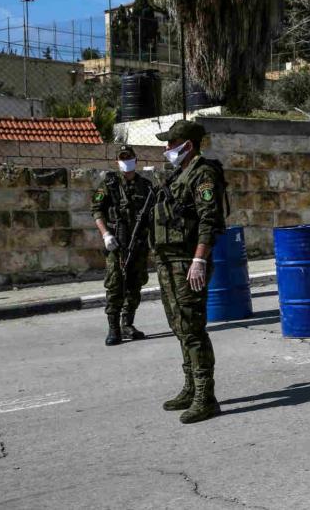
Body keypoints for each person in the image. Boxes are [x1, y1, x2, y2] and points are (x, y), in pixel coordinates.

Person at [153, 120, 227, 424]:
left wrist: (199, 260)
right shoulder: (178, 174)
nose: (167, 148)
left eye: (171, 143)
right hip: (168, 260)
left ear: (188, 145)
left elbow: (209, 220)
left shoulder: (203, 173)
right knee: (180, 326)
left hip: (187, 260)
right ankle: (191, 386)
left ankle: (205, 397)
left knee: (193, 328)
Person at [91, 145, 153, 346]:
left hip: (139, 244)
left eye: (129, 157)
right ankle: (113, 328)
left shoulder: (146, 186)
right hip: (117, 243)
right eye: (122, 158)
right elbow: (97, 211)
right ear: (117, 161)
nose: (126, 161)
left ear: (136, 160)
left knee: (135, 284)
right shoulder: (109, 184)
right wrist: (106, 234)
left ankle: (127, 323)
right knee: (115, 284)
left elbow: (153, 215)